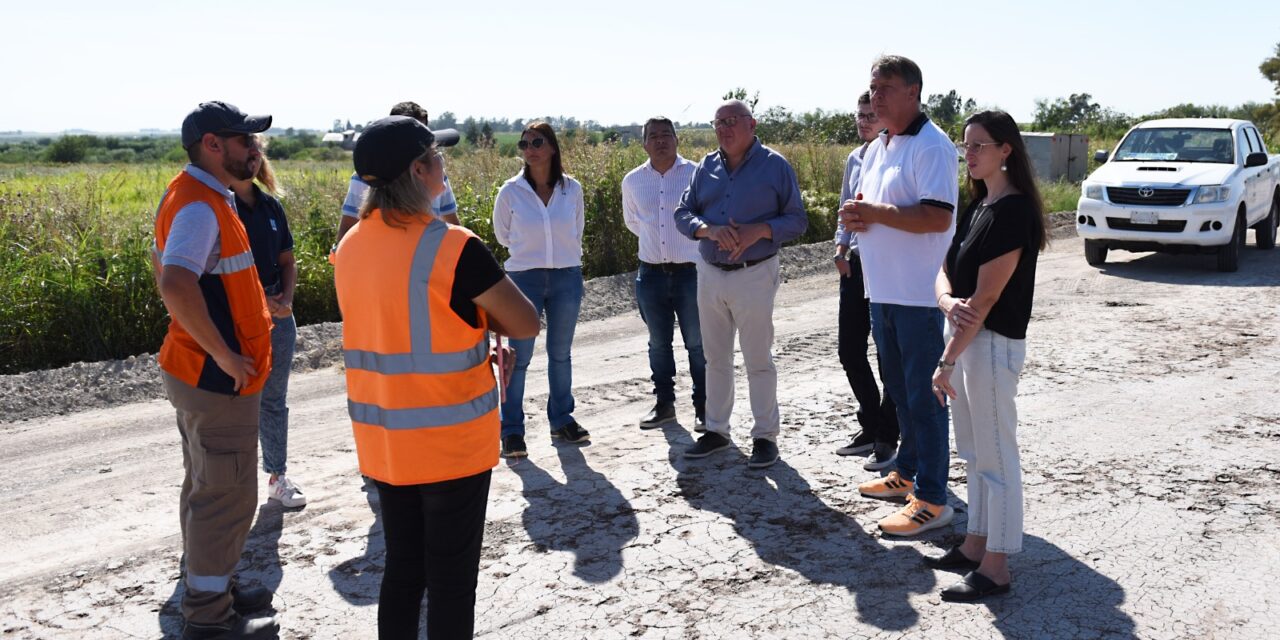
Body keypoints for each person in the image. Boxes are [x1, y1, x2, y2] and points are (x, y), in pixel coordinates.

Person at [334, 116, 539, 638]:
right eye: (438, 158)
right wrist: (479, 322)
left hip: (385, 444)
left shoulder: (351, 246)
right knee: (450, 581)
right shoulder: (452, 245)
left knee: (403, 570)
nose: (444, 167)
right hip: (450, 443)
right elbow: (524, 321)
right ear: (419, 170)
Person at [152, 101, 279, 639]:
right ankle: (208, 617)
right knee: (224, 498)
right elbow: (176, 283)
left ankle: (212, 586)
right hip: (215, 378)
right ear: (212, 145)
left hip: (197, 372)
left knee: (207, 485)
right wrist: (226, 356)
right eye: (243, 139)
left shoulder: (198, 197)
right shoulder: (201, 207)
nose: (254, 148)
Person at [925, 110, 1046, 602]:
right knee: (974, 454)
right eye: (965, 146)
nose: (968, 154)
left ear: (1005, 151)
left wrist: (947, 359)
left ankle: (997, 566)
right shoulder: (977, 207)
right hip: (966, 342)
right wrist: (944, 301)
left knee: (996, 458)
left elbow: (987, 299)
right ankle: (976, 544)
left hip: (990, 347)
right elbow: (944, 271)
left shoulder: (1014, 211)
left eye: (979, 146)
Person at [839, 55, 959, 535]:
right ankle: (906, 472)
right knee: (902, 394)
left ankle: (933, 498)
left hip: (919, 294)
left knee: (925, 398)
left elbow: (937, 217)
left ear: (913, 92)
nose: (875, 96)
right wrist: (857, 219)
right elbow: (877, 210)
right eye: (872, 87)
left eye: (885, 87)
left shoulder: (932, 146)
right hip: (882, 291)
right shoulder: (877, 147)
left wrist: (878, 214)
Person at [673, 100, 808, 469]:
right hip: (710, 272)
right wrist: (708, 230)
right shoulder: (706, 166)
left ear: (752, 123)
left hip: (755, 272)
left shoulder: (775, 166)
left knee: (757, 359)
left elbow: (797, 220)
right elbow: (683, 212)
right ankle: (716, 430)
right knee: (715, 357)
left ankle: (765, 436)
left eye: (732, 121)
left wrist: (760, 230)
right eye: (718, 123)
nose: (724, 128)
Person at [491, 122, 590, 458]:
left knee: (560, 354)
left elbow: (575, 232)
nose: (529, 148)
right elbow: (504, 236)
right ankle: (512, 431)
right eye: (524, 143)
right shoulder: (510, 191)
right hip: (522, 281)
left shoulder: (571, 189)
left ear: (551, 148)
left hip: (566, 277)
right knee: (518, 358)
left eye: (536, 142)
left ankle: (562, 420)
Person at [227, 136, 306, 508]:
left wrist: (286, 300)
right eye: (249, 150)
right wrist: (262, 301)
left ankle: (277, 476)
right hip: (237, 316)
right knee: (235, 402)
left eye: (259, 151)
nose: (255, 156)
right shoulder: (218, 207)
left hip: (278, 314)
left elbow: (288, 260)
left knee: (274, 400)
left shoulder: (271, 207)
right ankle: (230, 485)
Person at [621, 116, 706, 432]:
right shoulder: (632, 181)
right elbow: (634, 223)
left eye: (666, 134)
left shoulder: (696, 173)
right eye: (653, 136)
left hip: (691, 274)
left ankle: (704, 407)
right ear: (644, 143)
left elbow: (706, 216)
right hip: (651, 274)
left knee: (697, 343)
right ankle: (664, 404)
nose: (660, 140)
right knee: (658, 344)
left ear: (677, 139)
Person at [833, 91, 900, 471]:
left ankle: (888, 437)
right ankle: (871, 424)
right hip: (856, 264)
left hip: (887, 266)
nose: (863, 121)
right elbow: (846, 209)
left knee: (889, 354)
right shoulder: (855, 158)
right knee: (849, 350)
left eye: (869, 115)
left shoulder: (895, 157)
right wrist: (840, 249)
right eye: (859, 115)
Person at [334, 101, 459, 247]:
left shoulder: (436, 174)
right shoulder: (364, 177)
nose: (425, 145)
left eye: (424, 131)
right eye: (412, 136)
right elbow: (348, 226)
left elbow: (452, 219)